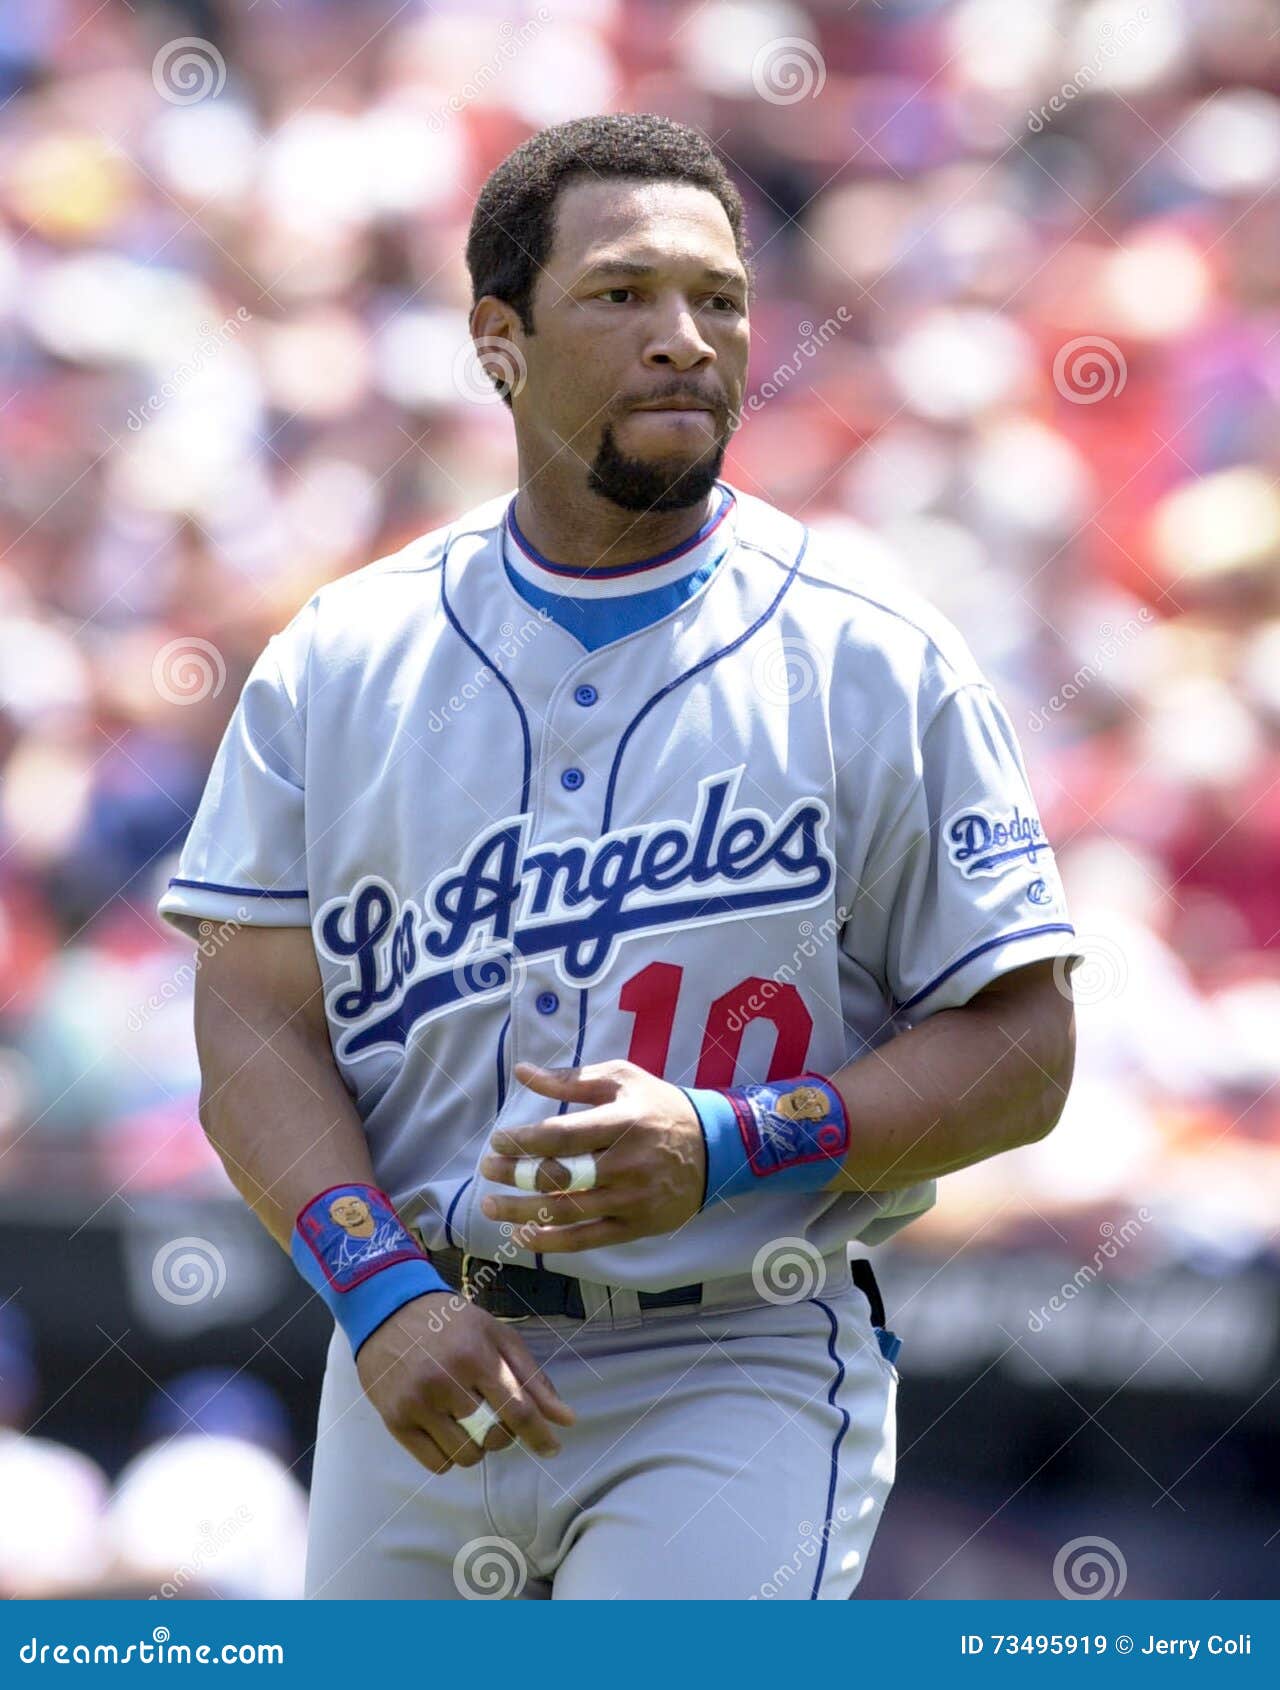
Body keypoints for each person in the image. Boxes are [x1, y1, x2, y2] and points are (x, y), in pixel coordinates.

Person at [159, 113, 1078, 1600]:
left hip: (735, 1351)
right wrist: (376, 1289)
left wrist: (732, 1138)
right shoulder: (344, 658)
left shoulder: (869, 650)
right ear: (498, 337)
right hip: (419, 1349)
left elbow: (1029, 1049)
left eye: (717, 298)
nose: (685, 339)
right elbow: (255, 1021)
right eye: (624, 294)